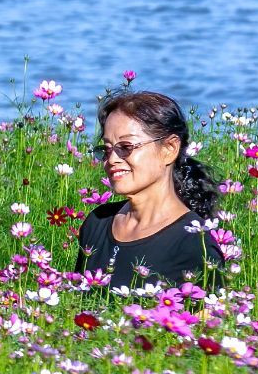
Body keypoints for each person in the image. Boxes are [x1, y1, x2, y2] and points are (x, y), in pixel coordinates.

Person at [75, 89, 224, 289]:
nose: (111, 160)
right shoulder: (98, 223)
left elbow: (209, 319)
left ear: (169, 149)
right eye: (107, 149)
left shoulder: (194, 243)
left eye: (125, 147)